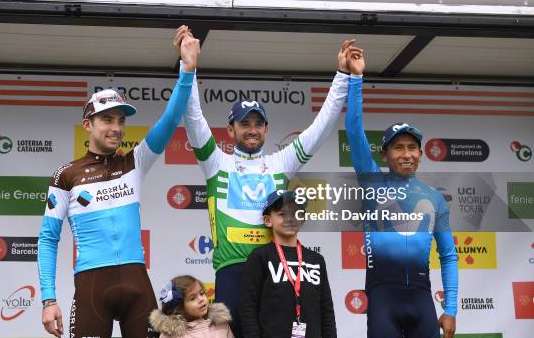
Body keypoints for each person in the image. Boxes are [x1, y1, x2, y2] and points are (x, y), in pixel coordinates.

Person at [174, 26, 351, 337]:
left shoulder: (280, 163)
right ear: (231, 130)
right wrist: (188, 67)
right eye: (245, 124)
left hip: (275, 268)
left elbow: (321, 128)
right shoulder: (217, 163)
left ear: (267, 130)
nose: (252, 130)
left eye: (258, 124)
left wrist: (342, 76)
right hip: (231, 271)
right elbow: (194, 119)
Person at [37, 28, 200, 338]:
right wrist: (48, 300)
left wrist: (187, 69)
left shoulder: (134, 162)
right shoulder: (66, 175)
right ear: (88, 124)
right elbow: (48, 239)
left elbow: (170, 119)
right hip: (92, 286)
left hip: (137, 283)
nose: (116, 128)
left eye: (121, 120)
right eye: (107, 119)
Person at [343, 42, 458, 338]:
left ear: (421, 154)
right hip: (383, 297)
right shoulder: (372, 183)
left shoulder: (433, 197)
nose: (406, 154)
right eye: (398, 148)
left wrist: (451, 309)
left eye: (412, 148)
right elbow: (354, 130)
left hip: (422, 298)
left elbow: (448, 256)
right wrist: (355, 79)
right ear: (385, 155)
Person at [240, 190, 337, 338]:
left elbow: (326, 309)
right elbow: (248, 307)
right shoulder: (259, 257)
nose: (290, 219)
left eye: (295, 213)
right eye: (282, 214)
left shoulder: (316, 260)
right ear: (268, 220)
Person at [149, 276, 234, 338]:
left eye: (202, 293)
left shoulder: (221, 324)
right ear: (180, 308)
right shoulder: (172, 335)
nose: (201, 299)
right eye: (192, 298)